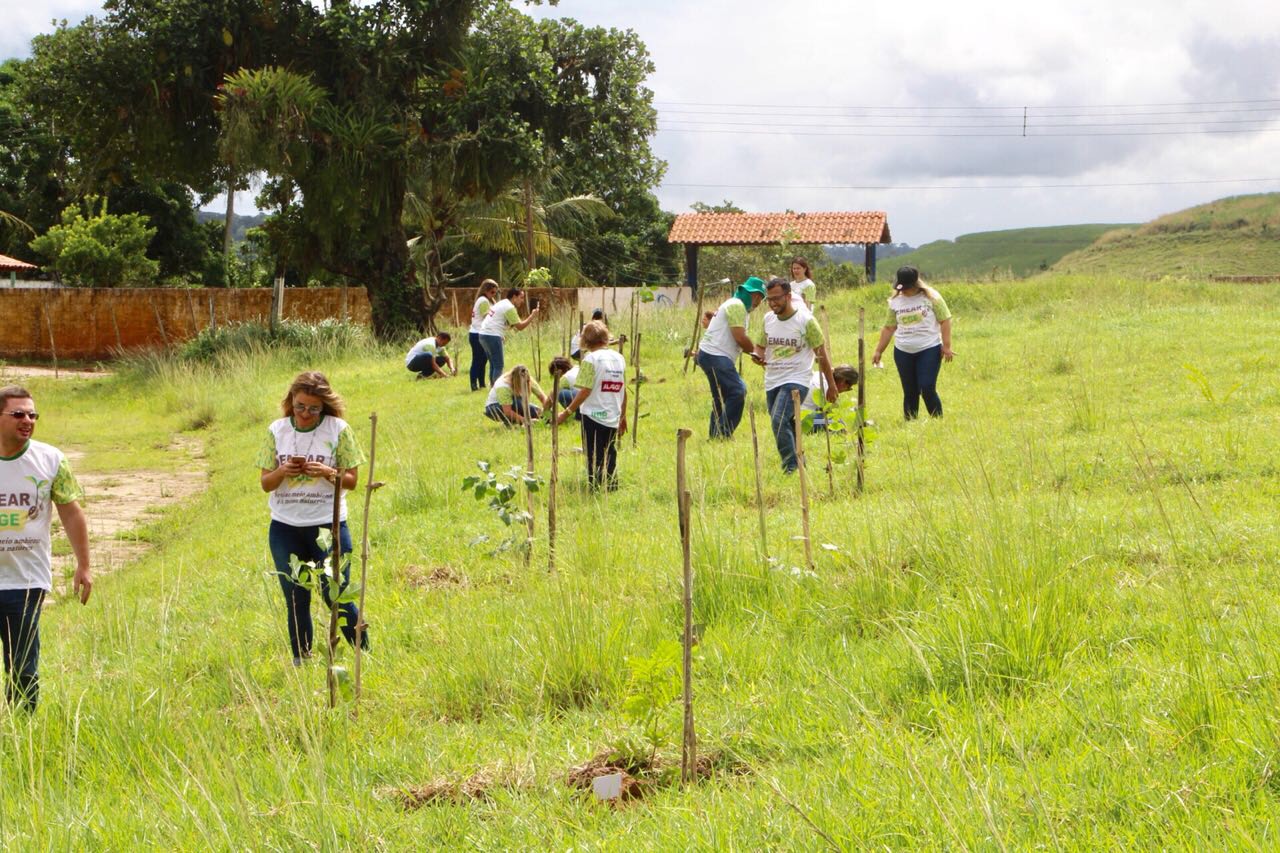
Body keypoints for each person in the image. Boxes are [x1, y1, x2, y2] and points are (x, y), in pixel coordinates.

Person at [257, 372, 368, 667]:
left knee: (336, 594)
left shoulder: (339, 429)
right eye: (300, 406)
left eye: (313, 408)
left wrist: (327, 473)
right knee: (295, 597)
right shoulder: (276, 430)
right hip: (284, 529)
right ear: (291, 402)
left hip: (328, 526)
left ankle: (364, 652)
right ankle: (302, 660)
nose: (305, 414)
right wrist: (283, 472)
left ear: (324, 406)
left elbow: (353, 481)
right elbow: (266, 483)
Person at [0, 385, 91, 710]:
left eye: (33, 414)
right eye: (18, 414)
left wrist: (83, 565)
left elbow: (71, 512)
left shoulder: (51, 460)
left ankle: (21, 733)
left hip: (25, 582)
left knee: (23, 668)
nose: (28, 420)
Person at [750, 277, 838, 473]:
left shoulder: (806, 321)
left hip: (797, 379)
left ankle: (791, 467)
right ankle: (801, 462)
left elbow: (821, 355)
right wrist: (758, 356)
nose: (773, 303)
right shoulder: (768, 319)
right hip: (772, 379)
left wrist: (831, 385)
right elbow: (760, 345)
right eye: (769, 299)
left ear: (788, 296)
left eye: (777, 298)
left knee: (778, 420)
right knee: (787, 424)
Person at [872, 265, 954, 419]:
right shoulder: (895, 302)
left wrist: (947, 346)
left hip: (929, 348)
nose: (903, 291)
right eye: (900, 288)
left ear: (915, 284)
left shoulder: (932, 297)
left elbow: (945, 320)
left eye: (906, 288)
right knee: (909, 390)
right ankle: (910, 423)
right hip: (903, 351)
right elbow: (889, 328)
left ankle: (937, 420)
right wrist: (878, 351)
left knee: (927, 386)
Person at [557, 321, 627, 490]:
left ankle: (595, 487)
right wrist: (623, 417)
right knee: (610, 451)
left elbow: (585, 391)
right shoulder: (619, 358)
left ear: (586, 341)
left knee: (593, 454)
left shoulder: (590, 359)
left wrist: (565, 413)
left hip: (593, 415)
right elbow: (623, 390)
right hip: (612, 415)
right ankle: (611, 485)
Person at [695, 276, 767, 439]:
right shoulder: (737, 305)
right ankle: (724, 434)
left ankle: (715, 436)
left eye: (761, 299)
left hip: (709, 354)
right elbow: (740, 337)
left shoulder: (736, 305)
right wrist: (756, 354)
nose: (758, 303)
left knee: (720, 397)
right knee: (737, 391)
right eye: (759, 298)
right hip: (716, 355)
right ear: (753, 295)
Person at [477, 287, 540, 386]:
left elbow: (505, 324)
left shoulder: (502, 303)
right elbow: (520, 326)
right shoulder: (509, 307)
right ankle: (498, 390)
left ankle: (493, 388)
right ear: (514, 297)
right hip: (492, 335)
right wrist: (532, 316)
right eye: (521, 297)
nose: (522, 301)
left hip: (483, 335)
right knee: (498, 365)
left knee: (493, 364)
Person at [483, 365, 549, 427]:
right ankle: (512, 421)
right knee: (520, 405)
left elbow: (543, 398)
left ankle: (511, 422)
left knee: (531, 409)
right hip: (494, 407)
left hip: (514, 402)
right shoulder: (503, 386)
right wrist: (526, 421)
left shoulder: (527, 378)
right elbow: (507, 411)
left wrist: (548, 410)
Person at [801, 365, 858, 430]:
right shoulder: (828, 390)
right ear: (843, 382)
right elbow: (832, 413)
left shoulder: (819, 375)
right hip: (801, 420)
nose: (846, 390)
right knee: (838, 424)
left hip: (796, 413)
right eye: (848, 387)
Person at [468, 279, 499, 391]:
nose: (494, 294)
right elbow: (486, 316)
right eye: (492, 292)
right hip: (477, 334)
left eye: (495, 292)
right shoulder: (483, 300)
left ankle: (481, 383)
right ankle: (473, 384)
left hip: (480, 333)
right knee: (477, 360)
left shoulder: (487, 300)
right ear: (485, 290)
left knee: (483, 360)